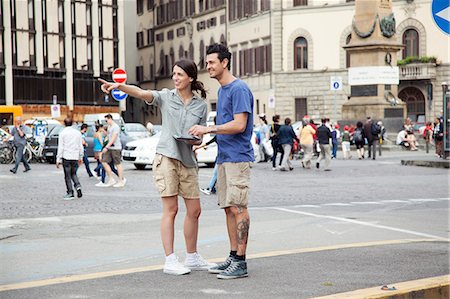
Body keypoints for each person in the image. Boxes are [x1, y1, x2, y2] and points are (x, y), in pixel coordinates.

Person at [99, 59, 214, 275]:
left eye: (180, 74)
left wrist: (196, 139)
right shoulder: (166, 96)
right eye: (174, 74)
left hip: (188, 159)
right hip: (166, 157)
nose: (175, 78)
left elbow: (198, 133)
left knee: (195, 210)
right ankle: (170, 260)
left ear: (190, 78)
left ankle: (192, 256)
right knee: (171, 209)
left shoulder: (201, 105)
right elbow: (142, 93)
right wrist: (120, 87)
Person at [189, 43, 254, 279]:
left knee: (239, 208)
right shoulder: (223, 90)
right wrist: (203, 141)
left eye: (212, 63)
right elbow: (226, 128)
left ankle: (242, 262)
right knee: (228, 208)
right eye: (207, 63)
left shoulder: (238, 89)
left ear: (224, 62)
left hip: (238, 159)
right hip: (225, 157)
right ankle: (233, 256)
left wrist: (208, 129)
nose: (208, 67)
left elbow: (239, 125)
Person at [56, 117, 84, 200]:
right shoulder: (77, 133)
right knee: (74, 173)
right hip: (75, 156)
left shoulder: (62, 133)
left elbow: (61, 147)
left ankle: (70, 192)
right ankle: (77, 185)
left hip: (66, 156)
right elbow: (80, 145)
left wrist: (58, 159)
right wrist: (80, 156)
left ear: (64, 124)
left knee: (67, 175)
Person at [101, 114, 126, 187]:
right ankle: (111, 179)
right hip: (110, 147)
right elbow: (108, 136)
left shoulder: (115, 127)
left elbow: (113, 138)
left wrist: (106, 147)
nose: (106, 122)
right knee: (104, 161)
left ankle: (121, 180)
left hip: (115, 147)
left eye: (106, 120)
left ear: (110, 119)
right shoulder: (109, 127)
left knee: (117, 164)